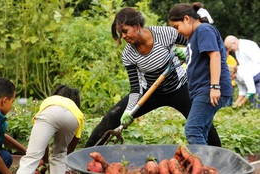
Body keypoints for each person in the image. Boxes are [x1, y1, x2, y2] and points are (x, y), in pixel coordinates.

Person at [85, 7, 222, 148]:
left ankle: (219, 157)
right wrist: (129, 110)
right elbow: (135, 87)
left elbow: (196, 42)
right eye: (121, 34)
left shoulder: (164, 33)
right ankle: (85, 156)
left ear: (137, 26)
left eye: (125, 31)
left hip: (180, 88)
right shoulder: (128, 54)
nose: (124, 37)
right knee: (112, 116)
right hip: (151, 92)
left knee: (203, 123)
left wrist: (185, 51)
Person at [168, 3, 233, 145]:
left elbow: (215, 56)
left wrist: (215, 86)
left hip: (209, 88)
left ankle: (203, 166)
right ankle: (208, 164)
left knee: (193, 129)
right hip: (201, 90)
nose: (177, 32)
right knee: (201, 130)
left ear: (186, 18)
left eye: (176, 27)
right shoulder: (193, 37)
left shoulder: (203, 30)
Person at [17, 85, 84, 174]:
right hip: (73, 117)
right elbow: (71, 147)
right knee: (59, 155)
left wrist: (45, 163)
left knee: (32, 157)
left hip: (50, 112)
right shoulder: (75, 108)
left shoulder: (51, 100)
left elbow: (43, 145)